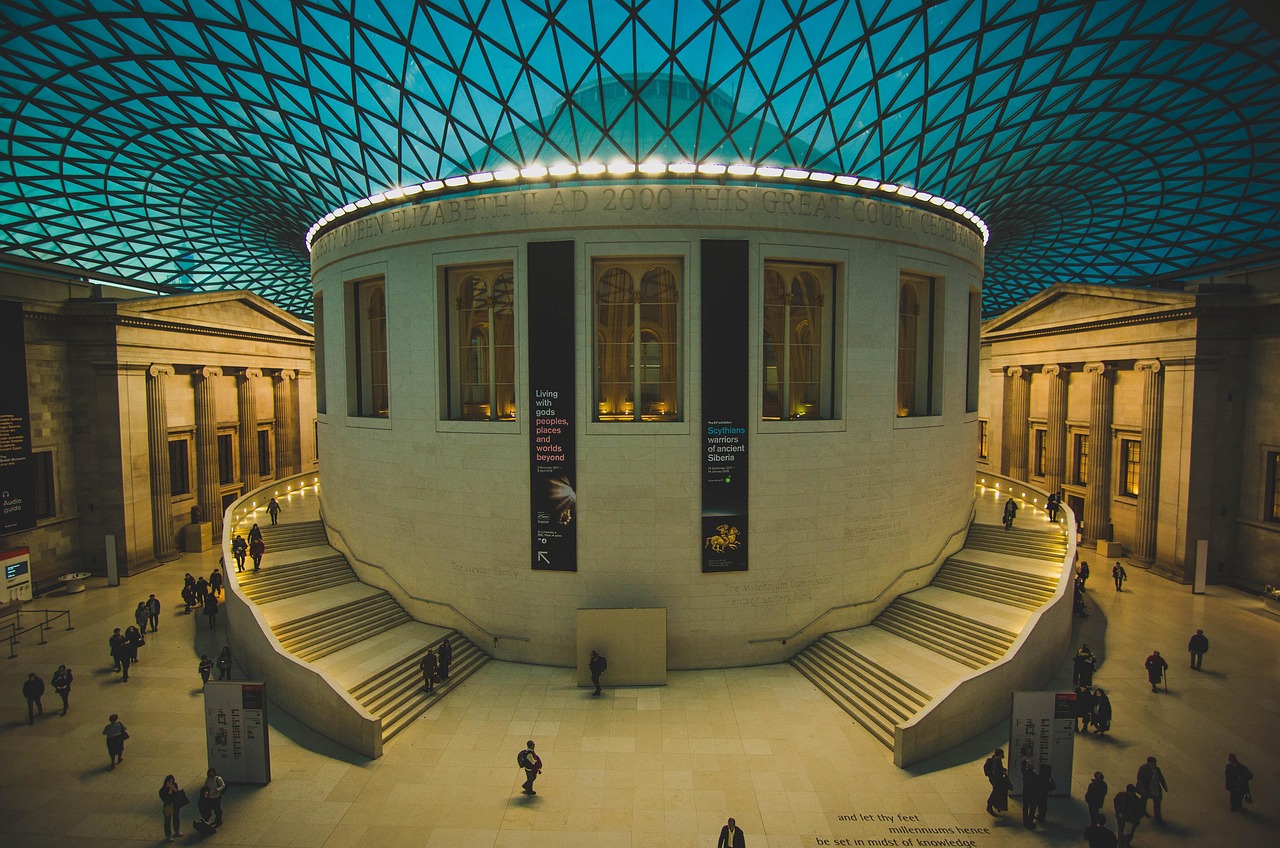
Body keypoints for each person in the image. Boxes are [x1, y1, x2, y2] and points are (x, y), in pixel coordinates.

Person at [1136, 756, 1168, 822]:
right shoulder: (1144, 769)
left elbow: (1161, 778)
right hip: (1146, 789)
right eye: (1153, 763)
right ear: (1149, 763)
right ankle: (1143, 811)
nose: (1154, 764)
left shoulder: (1157, 769)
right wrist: (1143, 790)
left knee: (1157, 803)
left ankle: (1157, 818)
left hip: (1155, 789)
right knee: (1143, 801)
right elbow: (1140, 780)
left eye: (1155, 763)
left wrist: (1164, 786)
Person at [159, 774, 187, 841]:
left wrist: (174, 789)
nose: (171, 783)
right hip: (168, 806)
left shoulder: (174, 785)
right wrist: (169, 790)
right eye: (169, 782)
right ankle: (168, 835)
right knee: (167, 821)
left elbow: (177, 793)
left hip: (175, 804)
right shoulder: (162, 790)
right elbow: (165, 798)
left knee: (176, 818)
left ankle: (177, 830)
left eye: (172, 781)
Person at [1020, 759, 1039, 829]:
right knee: (1032, 809)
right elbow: (1038, 786)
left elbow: (1022, 766)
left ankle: (1025, 822)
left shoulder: (1025, 773)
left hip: (1026, 793)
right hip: (1033, 794)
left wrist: (1025, 761)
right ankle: (1030, 822)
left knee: (1025, 807)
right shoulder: (1036, 776)